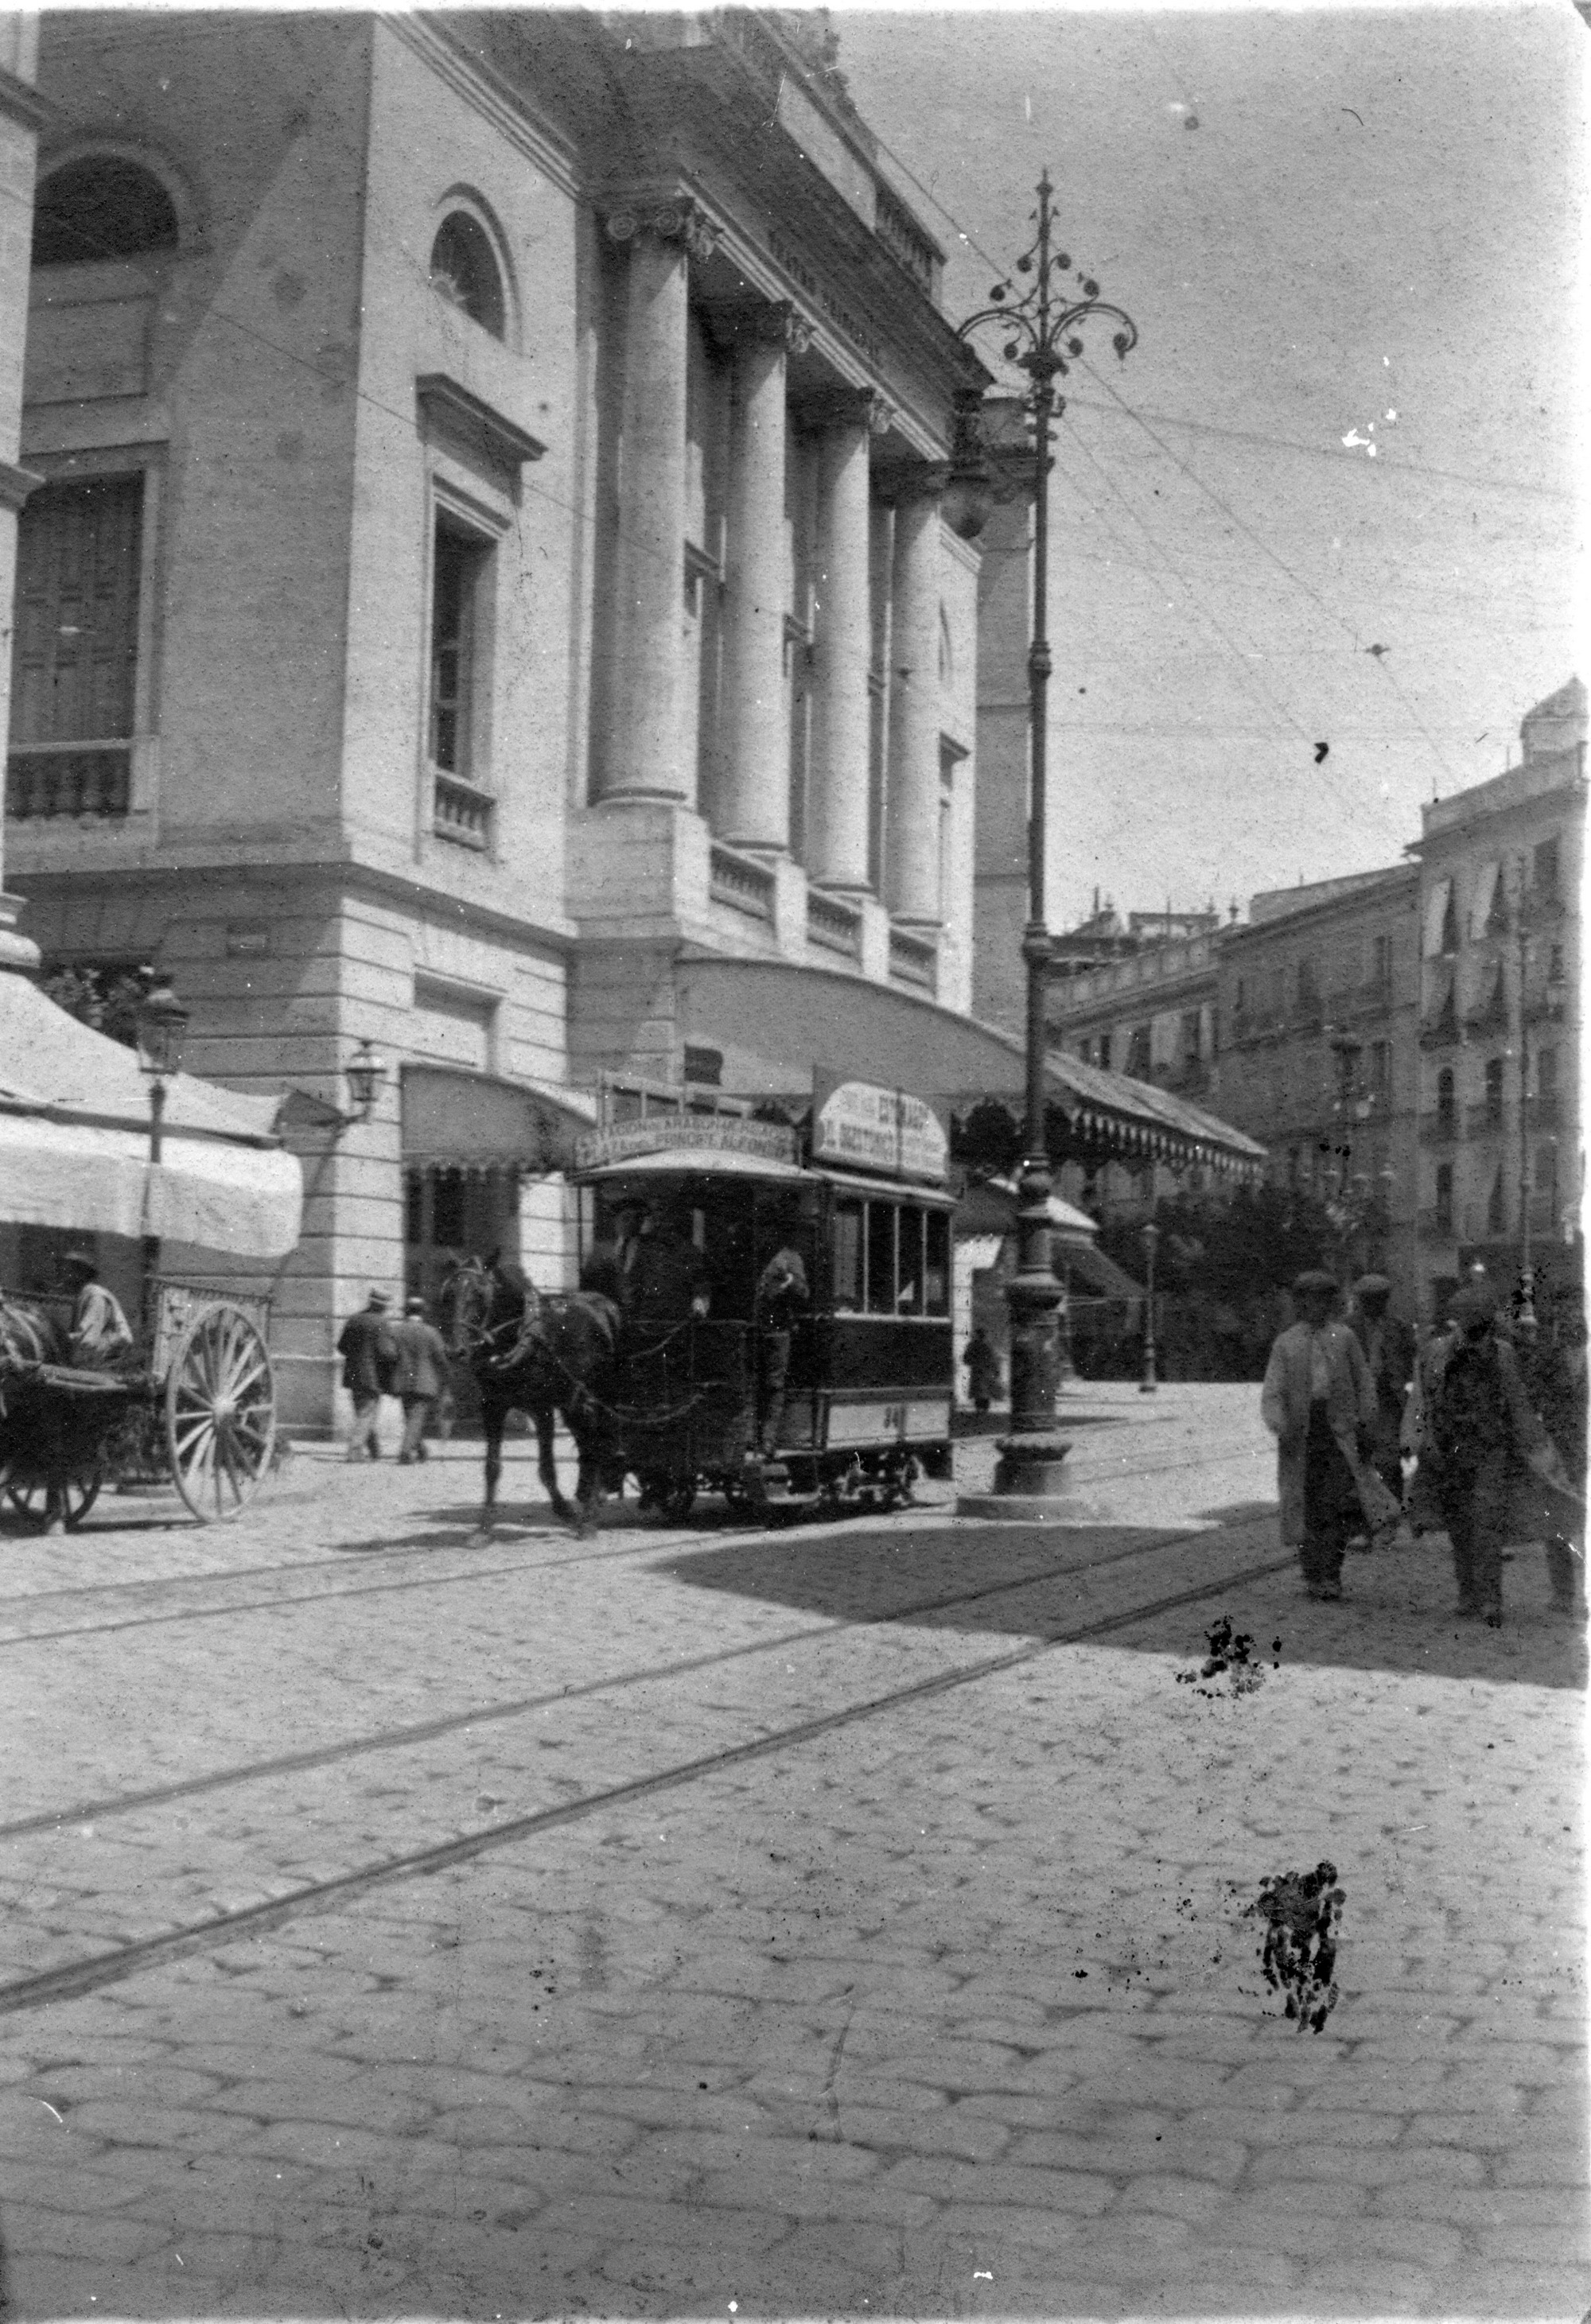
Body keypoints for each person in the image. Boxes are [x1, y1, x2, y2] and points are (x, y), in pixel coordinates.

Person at [1425, 1281, 1562, 1625]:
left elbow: (1516, 1400)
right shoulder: (1438, 1352)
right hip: (1452, 1448)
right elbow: (1430, 1401)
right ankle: (1468, 1593)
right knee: (1460, 1526)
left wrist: (1534, 1443)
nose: (1473, 1324)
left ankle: (1489, 1598)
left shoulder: (1501, 1353)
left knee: (1487, 1525)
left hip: (1490, 1449)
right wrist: (1428, 1441)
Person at [1261, 1269, 1391, 1602]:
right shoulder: (1286, 1342)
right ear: (1300, 1304)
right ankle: (1312, 1572)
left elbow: (1364, 1383)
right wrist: (1279, 1423)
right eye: (1308, 1301)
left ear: (1331, 1303)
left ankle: (1331, 1573)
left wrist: (1366, 1421)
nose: (1316, 1307)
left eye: (1322, 1300)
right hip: (1301, 1434)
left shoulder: (1344, 1338)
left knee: (1334, 1506)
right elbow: (1273, 1391)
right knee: (1305, 1504)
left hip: (1338, 1433)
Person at [1348, 1273, 1418, 1516]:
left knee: (1388, 1461)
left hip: (1388, 1399)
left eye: (1378, 1299)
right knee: (1358, 1461)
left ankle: (1392, 1510)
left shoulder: (1399, 1327)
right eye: (1368, 1299)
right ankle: (1366, 1518)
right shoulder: (1348, 1328)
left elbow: (1410, 1361)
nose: (1373, 1304)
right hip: (1357, 1401)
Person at [754, 1243, 810, 1456]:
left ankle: (763, 1439)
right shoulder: (788, 1258)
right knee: (773, 1386)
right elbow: (802, 1292)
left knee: (767, 1385)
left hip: (765, 1331)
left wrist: (790, 1283)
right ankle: (765, 1441)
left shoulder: (777, 1257)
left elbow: (800, 1291)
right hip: (774, 1332)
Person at [390, 1293, 450, 1465]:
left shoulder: (395, 1331)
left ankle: (420, 1448)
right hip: (425, 1381)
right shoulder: (431, 1332)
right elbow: (441, 1357)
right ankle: (405, 1452)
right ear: (422, 1313)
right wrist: (446, 1375)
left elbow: (389, 1355)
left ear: (406, 1312)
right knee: (415, 1418)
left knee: (411, 1417)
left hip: (401, 1380)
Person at [337, 1289, 396, 1461]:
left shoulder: (354, 1320)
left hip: (353, 1375)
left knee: (362, 1412)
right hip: (372, 1376)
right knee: (367, 1414)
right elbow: (387, 1353)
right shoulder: (381, 1323)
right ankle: (354, 1452)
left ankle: (375, 1450)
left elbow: (341, 1347)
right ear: (383, 1306)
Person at [62, 1249, 134, 1370]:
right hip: (97, 1353)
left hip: (111, 1355)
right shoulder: (83, 1295)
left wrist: (61, 1338)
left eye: (69, 1272)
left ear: (82, 1274)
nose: (65, 1276)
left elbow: (89, 1339)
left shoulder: (96, 1296)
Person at [963, 1327, 1002, 1415]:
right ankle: (984, 1409)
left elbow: (966, 1358)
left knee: (979, 1390)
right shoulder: (988, 1345)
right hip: (986, 1371)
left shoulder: (973, 1345)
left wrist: (973, 1362)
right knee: (984, 1390)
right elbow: (995, 1359)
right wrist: (996, 1370)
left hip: (978, 1371)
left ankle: (980, 1409)